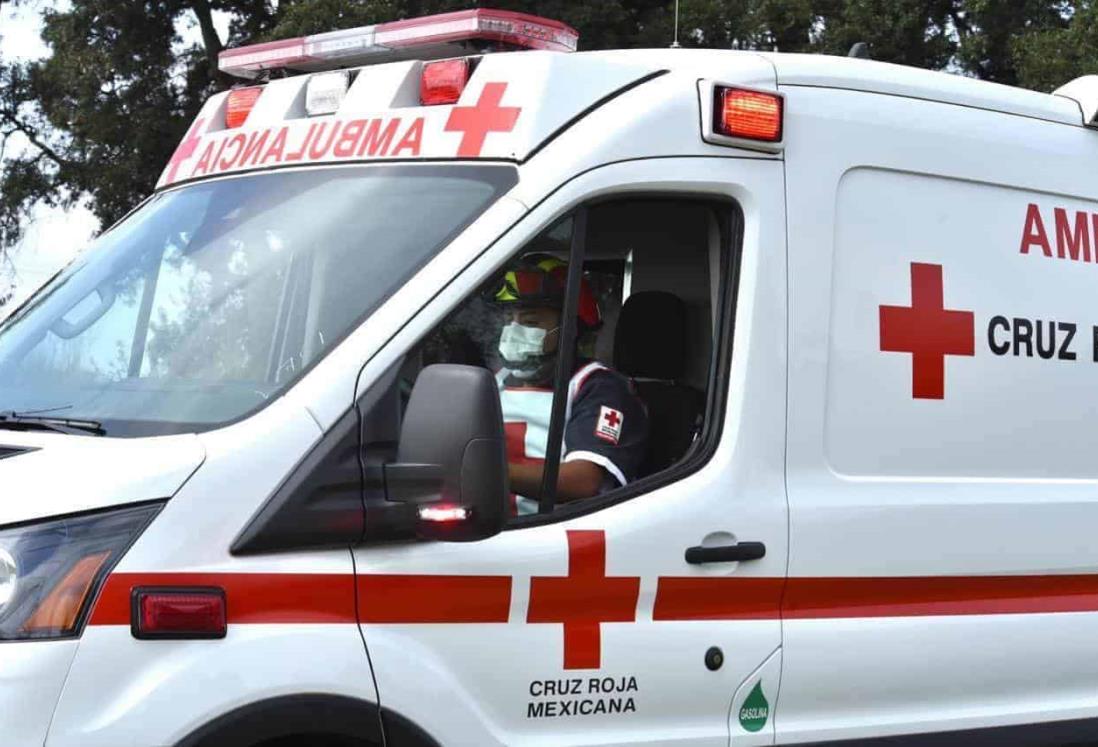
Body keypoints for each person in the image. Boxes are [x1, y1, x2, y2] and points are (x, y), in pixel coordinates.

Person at [491, 254, 649, 515]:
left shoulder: (597, 386)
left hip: (552, 534)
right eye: (509, 319)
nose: (514, 331)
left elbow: (584, 481)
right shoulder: (494, 381)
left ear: (570, 329)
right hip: (486, 530)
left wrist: (482, 471)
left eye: (530, 322)